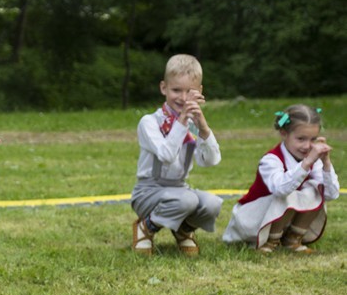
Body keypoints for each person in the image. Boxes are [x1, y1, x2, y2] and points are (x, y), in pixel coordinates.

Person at [131, 54, 222, 256]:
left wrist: (203, 127)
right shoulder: (150, 122)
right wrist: (181, 122)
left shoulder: (193, 123)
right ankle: (145, 227)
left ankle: (183, 230)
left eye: (189, 91)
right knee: (187, 201)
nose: (182, 98)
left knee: (212, 204)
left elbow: (209, 161)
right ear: (164, 88)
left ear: (199, 92)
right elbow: (166, 155)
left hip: (179, 189)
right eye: (176, 90)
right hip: (148, 192)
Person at [223, 105, 339, 253]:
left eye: (313, 139)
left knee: (316, 190)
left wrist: (326, 164)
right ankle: (269, 241)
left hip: (279, 218)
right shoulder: (271, 160)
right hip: (252, 219)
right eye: (301, 139)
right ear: (284, 133)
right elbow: (281, 190)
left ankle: (292, 239)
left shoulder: (313, 160)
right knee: (288, 194)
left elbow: (331, 194)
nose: (307, 146)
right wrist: (307, 163)